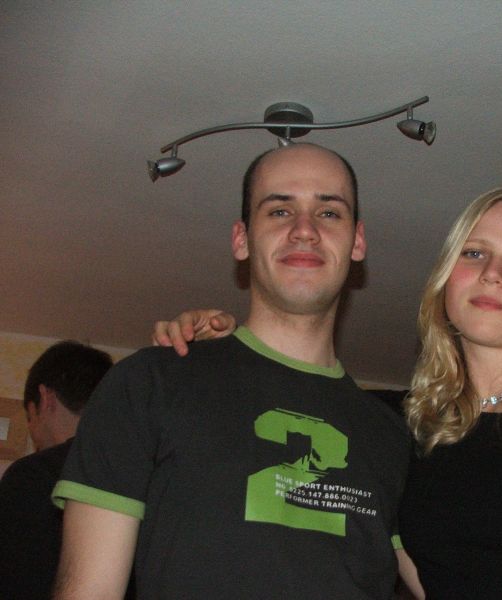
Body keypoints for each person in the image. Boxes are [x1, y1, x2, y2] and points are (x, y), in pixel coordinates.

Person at [155, 187, 502, 599]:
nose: (493, 273)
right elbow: (285, 397)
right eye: (474, 253)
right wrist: (222, 344)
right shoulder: (401, 425)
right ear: (447, 278)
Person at [52, 143, 410, 600]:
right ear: (241, 239)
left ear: (357, 241)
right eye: (279, 211)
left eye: (329, 213)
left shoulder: (391, 434)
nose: (304, 230)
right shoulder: (150, 384)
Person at [0, 340, 113, 600]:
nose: (33, 432)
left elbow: (16, 582)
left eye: (30, 417)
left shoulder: (33, 475)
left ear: (45, 397)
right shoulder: (136, 470)